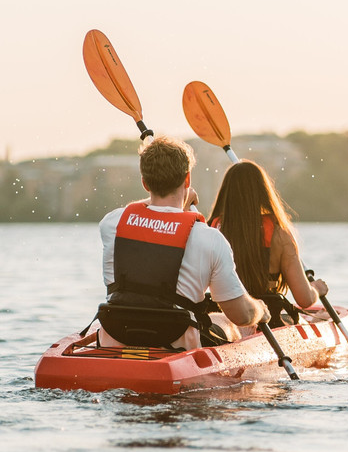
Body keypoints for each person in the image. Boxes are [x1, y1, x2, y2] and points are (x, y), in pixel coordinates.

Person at [94, 135, 271, 350]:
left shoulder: (111, 223)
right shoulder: (210, 239)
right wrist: (260, 310)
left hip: (117, 335)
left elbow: (139, 211)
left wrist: (180, 200)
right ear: (187, 179)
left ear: (144, 182)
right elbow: (242, 315)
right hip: (174, 342)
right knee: (226, 321)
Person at [207, 160, 328, 325]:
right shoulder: (280, 235)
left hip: (224, 316)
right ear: (264, 192)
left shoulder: (210, 231)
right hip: (269, 319)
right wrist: (317, 289)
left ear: (226, 193)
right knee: (320, 317)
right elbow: (304, 299)